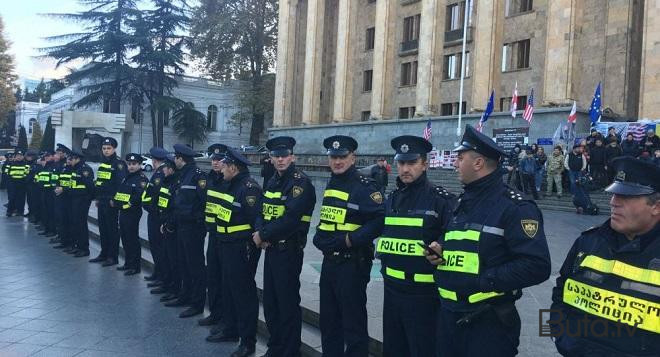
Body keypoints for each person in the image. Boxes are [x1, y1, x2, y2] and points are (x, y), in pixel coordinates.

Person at [425, 125, 551, 357]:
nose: (454, 164)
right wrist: (440, 247)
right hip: (449, 316)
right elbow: (461, 237)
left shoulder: (515, 207)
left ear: (478, 163)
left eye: (460, 158)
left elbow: (537, 265)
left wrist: (483, 280)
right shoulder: (463, 200)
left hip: (486, 322)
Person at [549, 156, 660, 356]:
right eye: (614, 194)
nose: (613, 202)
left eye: (626, 197)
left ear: (656, 206)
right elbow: (561, 291)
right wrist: (559, 335)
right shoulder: (588, 242)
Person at [376, 135, 455, 357]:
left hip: (423, 295)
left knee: (422, 350)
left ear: (425, 164)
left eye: (412, 163)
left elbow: (455, 234)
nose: (405, 169)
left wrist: (441, 245)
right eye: (401, 163)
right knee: (393, 349)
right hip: (391, 290)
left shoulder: (441, 199)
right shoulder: (392, 199)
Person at [313, 135, 385, 356]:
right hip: (330, 262)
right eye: (333, 157)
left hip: (352, 264)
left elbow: (380, 219)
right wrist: (319, 236)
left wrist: (349, 240)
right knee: (329, 321)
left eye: (342, 156)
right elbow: (330, 218)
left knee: (353, 325)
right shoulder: (333, 182)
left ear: (353, 158)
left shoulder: (364, 186)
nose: (337, 161)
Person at [252, 136, 316, 357]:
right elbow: (262, 210)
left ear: (292, 157)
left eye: (284, 156)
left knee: (287, 303)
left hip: (288, 250)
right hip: (271, 249)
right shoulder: (273, 181)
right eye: (276, 156)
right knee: (271, 302)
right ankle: (276, 345)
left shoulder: (300, 183)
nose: (280, 160)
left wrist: (263, 234)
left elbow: (291, 218)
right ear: (271, 158)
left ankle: (289, 350)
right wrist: (260, 230)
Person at [208, 148, 263, 357]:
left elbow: (257, 219)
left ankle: (247, 342)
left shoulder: (249, 189)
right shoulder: (231, 185)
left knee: (243, 295)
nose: (220, 169)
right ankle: (230, 329)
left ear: (233, 167)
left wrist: (256, 242)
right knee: (228, 291)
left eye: (224, 166)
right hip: (225, 245)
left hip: (241, 249)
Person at [164, 144, 208, 319]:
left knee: (195, 265)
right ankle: (185, 295)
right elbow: (178, 202)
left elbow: (204, 203)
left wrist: (194, 217)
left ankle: (197, 303)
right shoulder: (183, 176)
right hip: (181, 226)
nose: (174, 160)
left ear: (181, 159)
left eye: (176, 158)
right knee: (184, 263)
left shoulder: (198, 176)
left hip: (193, 228)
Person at [200, 143, 227, 329]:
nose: (215, 162)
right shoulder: (209, 178)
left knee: (224, 278)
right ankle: (215, 313)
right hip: (213, 233)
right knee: (213, 277)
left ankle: (224, 317)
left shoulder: (228, 180)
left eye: (220, 160)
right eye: (213, 159)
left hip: (225, 235)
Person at [91, 137, 127, 267]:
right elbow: (100, 183)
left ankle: (113, 257)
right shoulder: (103, 164)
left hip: (111, 202)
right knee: (103, 228)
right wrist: (97, 198)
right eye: (104, 148)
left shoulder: (119, 164)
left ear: (114, 149)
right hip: (102, 201)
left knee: (112, 230)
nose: (106, 151)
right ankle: (104, 253)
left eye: (109, 148)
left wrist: (115, 200)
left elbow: (121, 185)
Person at [112, 154, 149, 275]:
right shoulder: (127, 177)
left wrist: (124, 206)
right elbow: (121, 193)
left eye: (134, 164)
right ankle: (128, 263)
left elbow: (138, 197)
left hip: (132, 213)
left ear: (139, 165)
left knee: (132, 239)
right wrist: (116, 202)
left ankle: (135, 266)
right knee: (125, 238)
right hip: (123, 212)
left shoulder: (142, 179)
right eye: (129, 164)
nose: (131, 166)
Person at [141, 147, 170, 289]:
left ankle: (161, 275)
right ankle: (157, 273)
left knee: (158, 247)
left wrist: (151, 207)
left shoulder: (160, 174)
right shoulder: (158, 172)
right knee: (154, 245)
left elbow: (156, 196)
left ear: (154, 160)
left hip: (157, 215)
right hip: (153, 214)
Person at [156, 155, 181, 304]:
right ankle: (168, 285)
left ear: (171, 169)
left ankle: (174, 288)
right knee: (166, 256)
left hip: (172, 226)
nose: (163, 170)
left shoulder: (175, 183)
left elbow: (175, 207)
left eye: (165, 167)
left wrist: (169, 224)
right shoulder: (168, 181)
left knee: (174, 259)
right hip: (164, 223)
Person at [67, 149, 95, 257]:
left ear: (77, 159)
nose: (70, 161)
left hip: (82, 200)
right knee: (76, 223)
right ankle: (78, 246)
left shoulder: (85, 169)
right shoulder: (76, 169)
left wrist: (88, 198)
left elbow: (90, 186)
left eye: (71, 159)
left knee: (81, 224)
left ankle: (84, 248)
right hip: (75, 199)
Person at [52, 144, 73, 250]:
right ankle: (62, 238)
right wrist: (56, 187)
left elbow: (71, 182)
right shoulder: (60, 165)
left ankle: (66, 240)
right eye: (57, 153)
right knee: (60, 218)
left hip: (66, 196)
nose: (57, 155)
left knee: (65, 219)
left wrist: (63, 189)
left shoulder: (67, 165)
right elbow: (58, 178)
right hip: (59, 194)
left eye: (59, 153)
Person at [6, 149, 29, 217]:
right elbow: (6, 173)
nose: (19, 157)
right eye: (17, 155)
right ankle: (9, 211)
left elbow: (26, 173)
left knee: (21, 198)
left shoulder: (26, 164)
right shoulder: (10, 164)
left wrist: (23, 179)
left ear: (23, 157)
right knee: (12, 197)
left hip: (21, 183)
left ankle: (20, 211)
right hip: (12, 183)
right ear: (15, 156)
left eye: (20, 155)